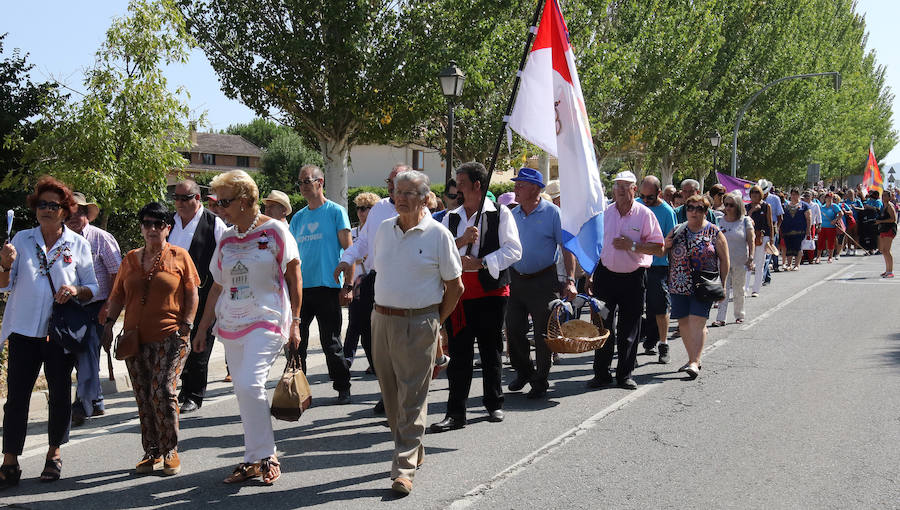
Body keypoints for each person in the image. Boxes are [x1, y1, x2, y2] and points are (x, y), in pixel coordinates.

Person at [193, 170, 302, 485]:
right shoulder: (227, 237)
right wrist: (202, 329)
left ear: (244, 201)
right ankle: (253, 458)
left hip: (267, 319)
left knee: (250, 384)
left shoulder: (276, 231)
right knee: (242, 389)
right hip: (232, 322)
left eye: (224, 201)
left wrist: (295, 321)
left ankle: (265, 455)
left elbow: (295, 275)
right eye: (216, 201)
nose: (218, 208)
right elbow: (217, 286)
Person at [0, 176, 99, 487]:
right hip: (23, 332)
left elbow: (93, 288)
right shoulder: (20, 240)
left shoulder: (78, 244)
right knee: (16, 399)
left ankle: (54, 454)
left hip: (59, 335)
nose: (45, 209)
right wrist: (3, 265)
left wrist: (75, 289)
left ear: (65, 211)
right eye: (41, 204)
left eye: (52, 205)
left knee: (58, 396)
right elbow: (4, 285)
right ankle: (10, 460)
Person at [370, 170, 464, 495]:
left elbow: (456, 286)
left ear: (425, 198)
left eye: (410, 193)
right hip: (381, 320)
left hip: (420, 321)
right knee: (392, 397)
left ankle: (403, 468)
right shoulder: (383, 229)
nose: (401, 198)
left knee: (412, 397)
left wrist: (437, 320)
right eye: (398, 191)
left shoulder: (439, 235)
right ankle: (415, 447)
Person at [100, 202, 199, 477]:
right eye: (147, 223)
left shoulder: (180, 256)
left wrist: (187, 326)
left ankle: (170, 449)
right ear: (141, 227)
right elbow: (118, 294)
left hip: (171, 336)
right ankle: (152, 450)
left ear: (168, 228)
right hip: (134, 338)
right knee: (143, 395)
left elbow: (193, 293)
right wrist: (109, 323)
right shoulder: (130, 259)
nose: (152, 229)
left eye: (159, 224)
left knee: (163, 391)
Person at [431, 162, 521, 431]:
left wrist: (482, 262)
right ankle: (455, 413)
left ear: (477, 185)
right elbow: (441, 253)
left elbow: (514, 251)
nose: (457, 188)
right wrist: (461, 243)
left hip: (491, 292)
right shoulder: (450, 218)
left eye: (461, 182)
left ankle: (494, 403)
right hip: (458, 294)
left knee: (490, 349)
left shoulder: (500, 214)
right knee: (458, 354)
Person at [335, 163, 411, 414]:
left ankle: (403, 396)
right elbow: (364, 241)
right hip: (376, 282)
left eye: (396, 179)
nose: (390, 184)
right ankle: (388, 392)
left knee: (400, 345)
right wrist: (347, 259)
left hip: (406, 283)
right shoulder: (378, 209)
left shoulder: (418, 208)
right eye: (389, 180)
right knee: (376, 344)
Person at [586, 171, 664, 390]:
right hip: (605, 276)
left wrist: (632, 245)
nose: (620, 189)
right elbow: (595, 247)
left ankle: (625, 375)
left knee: (629, 328)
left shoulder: (645, 214)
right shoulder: (604, 213)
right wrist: (589, 275)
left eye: (625, 186)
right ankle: (601, 374)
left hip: (633, 277)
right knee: (602, 326)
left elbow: (659, 248)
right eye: (617, 185)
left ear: (634, 190)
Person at [504, 168, 573, 400]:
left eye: (520, 184)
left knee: (544, 334)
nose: (516, 188)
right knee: (514, 330)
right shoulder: (512, 214)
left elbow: (566, 248)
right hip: (515, 279)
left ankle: (540, 379)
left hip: (543, 280)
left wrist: (570, 280)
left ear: (535, 188)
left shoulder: (553, 213)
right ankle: (524, 372)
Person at [288, 164, 353, 403]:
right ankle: (299, 390)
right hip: (302, 289)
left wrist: (349, 286)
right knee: (297, 343)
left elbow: (349, 251)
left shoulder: (336, 212)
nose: (304, 186)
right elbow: (290, 256)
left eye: (307, 181)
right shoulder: (298, 217)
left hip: (328, 286)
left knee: (331, 342)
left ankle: (343, 386)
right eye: (301, 182)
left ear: (320, 182)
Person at [168, 179, 226, 414]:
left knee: (200, 342)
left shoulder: (214, 223)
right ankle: (181, 387)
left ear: (197, 198)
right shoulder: (169, 223)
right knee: (177, 341)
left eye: (185, 198)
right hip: (173, 294)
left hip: (205, 293)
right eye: (177, 198)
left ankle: (194, 394)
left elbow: (226, 256)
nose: (180, 203)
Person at [65, 192, 122, 426]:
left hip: (96, 304)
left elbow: (118, 275)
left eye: (79, 211)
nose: (74, 216)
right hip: (70, 305)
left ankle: (83, 404)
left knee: (87, 352)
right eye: (69, 212)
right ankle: (96, 400)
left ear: (86, 214)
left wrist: (109, 307)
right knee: (77, 354)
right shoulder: (62, 239)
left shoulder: (101, 238)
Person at [664, 195, 729, 379]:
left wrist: (723, 286)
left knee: (697, 322)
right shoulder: (677, 230)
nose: (693, 211)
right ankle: (693, 358)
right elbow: (662, 251)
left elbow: (725, 260)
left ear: (705, 211)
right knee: (684, 322)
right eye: (690, 207)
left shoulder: (714, 232)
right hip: (678, 283)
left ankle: (693, 361)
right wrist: (665, 245)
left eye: (699, 208)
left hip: (704, 285)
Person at [637, 175, 677, 363]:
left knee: (660, 308)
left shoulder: (667, 212)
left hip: (657, 267)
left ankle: (663, 344)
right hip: (635, 265)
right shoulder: (636, 205)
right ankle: (633, 345)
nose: (645, 201)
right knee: (634, 308)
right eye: (642, 196)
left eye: (650, 197)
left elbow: (669, 243)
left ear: (659, 193)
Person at [343, 191, 380, 370]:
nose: (361, 212)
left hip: (374, 284)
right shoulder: (353, 233)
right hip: (355, 284)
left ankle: (374, 362)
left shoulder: (381, 231)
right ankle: (346, 360)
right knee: (355, 323)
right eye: (359, 208)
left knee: (368, 327)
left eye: (366, 208)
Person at [712, 191, 753, 326]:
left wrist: (751, 257)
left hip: (740, 260)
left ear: (738, 206)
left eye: (731, 205)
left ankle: (739, 314)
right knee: (722, 288)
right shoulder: (720, 221)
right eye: (726, 205)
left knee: (738, 289)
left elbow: (750, 240)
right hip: (723, 261)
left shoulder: (745, 221)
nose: (728, 208)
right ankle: (720, 318)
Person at [744, 185, 772, 297]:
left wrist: (771, 239)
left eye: (757, 192)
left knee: (760, 264)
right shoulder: (746, 207)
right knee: (747, 263)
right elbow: (744, 220)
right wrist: (752, 210)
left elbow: (770, 223)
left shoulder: (766, 206)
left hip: (762, 237)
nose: (754, 194)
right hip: (749, 237)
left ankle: (756, 289)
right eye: (753, 192)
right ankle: (745, 289)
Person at [780, 189, 812, 271]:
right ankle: (789, 264)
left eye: (796, 194)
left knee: (798, 247)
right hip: (787, 230)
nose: (794, 196)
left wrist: (808, 229)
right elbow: (781, 217)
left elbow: (809, 218)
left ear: (799, 195)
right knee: (789, 247)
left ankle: (797, 265)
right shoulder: (785, 205)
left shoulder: (804, 205)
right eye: (793, 194)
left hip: (800, 230)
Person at [760, 180, 784, 274]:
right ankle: (766, 273)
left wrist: (777, 228)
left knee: (773, 247)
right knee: (764, 252)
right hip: (760, 226)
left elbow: (780, 216)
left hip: (772, 224)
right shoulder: (757, 200)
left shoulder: (775, 199)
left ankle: (776, 265)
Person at [817, 192, 844, 263]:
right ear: (825, 199)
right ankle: (818, 257)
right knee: (820, 241)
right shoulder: (822, 207)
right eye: (828, 198)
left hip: (831, 227)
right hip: (822, 227)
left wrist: (835, 220)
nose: (829, 199)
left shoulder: (834, 206)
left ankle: (830, 257)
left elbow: (841, 214)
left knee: (831, 242)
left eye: (831, 198)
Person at [876, 190, 896, 278]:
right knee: (883, 250)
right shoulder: (883, 206)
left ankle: (890, 271)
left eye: (885, 196)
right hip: (883, 229)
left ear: (889, 197)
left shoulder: (889, 206)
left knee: (887, 250)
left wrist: (881, 221)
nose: (883, 197)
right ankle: (887, 270)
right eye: (882, 196)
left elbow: (893, 219)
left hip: (889, 229)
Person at [802, 191, 822, 263]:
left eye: (808, 196)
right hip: (802, 225)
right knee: (802, 241)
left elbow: (819, 216)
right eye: (805, 197)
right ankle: (802, 257)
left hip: (812, 225)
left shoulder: (815, 205)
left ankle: (811, 258)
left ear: (811, 197)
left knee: (810, 241)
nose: (807, 198)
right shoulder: (802, 205)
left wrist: (819, 225)